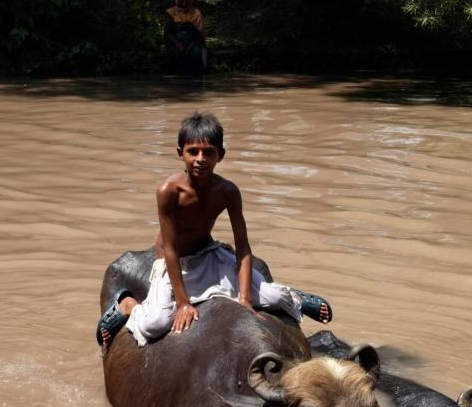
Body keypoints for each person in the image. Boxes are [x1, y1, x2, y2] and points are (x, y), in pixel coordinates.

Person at [97, 112, 332, 348]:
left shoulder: (228, 191)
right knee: (155, 323)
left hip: (209, 254)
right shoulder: (168, 191)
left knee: (272, 298)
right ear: (180, 153)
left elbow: (243, 247)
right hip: (176, 262)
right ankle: (127, 304)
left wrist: (245, 300)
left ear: (220, 155)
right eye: (193, 151)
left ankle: (297, 297)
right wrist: (182, 303)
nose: (201, 159)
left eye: (209, 152)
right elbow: (170, 249)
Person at [164, 0, 208, 74]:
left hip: (193, 42)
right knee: (175, 56)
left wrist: (189, 47)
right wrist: (179, 46)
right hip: (176, 42)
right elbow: (168, 33)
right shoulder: (171, 12)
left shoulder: (197, 13)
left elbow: (200, 34)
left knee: (196, 54)